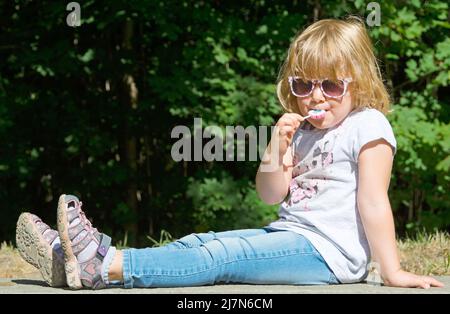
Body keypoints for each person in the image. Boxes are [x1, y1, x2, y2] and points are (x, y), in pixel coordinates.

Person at [16, 17, 444, 290]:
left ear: (358, 82)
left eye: (331, 86)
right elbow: (271, 195)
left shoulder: (368, 126)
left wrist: (392, 271)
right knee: (207, 241)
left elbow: (373, 201)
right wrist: (277, 147)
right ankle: (72, 262)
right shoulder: (300, 131)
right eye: (303, 86)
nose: (317, 97)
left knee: (223, 256)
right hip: (290, 237)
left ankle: (102, 264)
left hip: (329, 254)